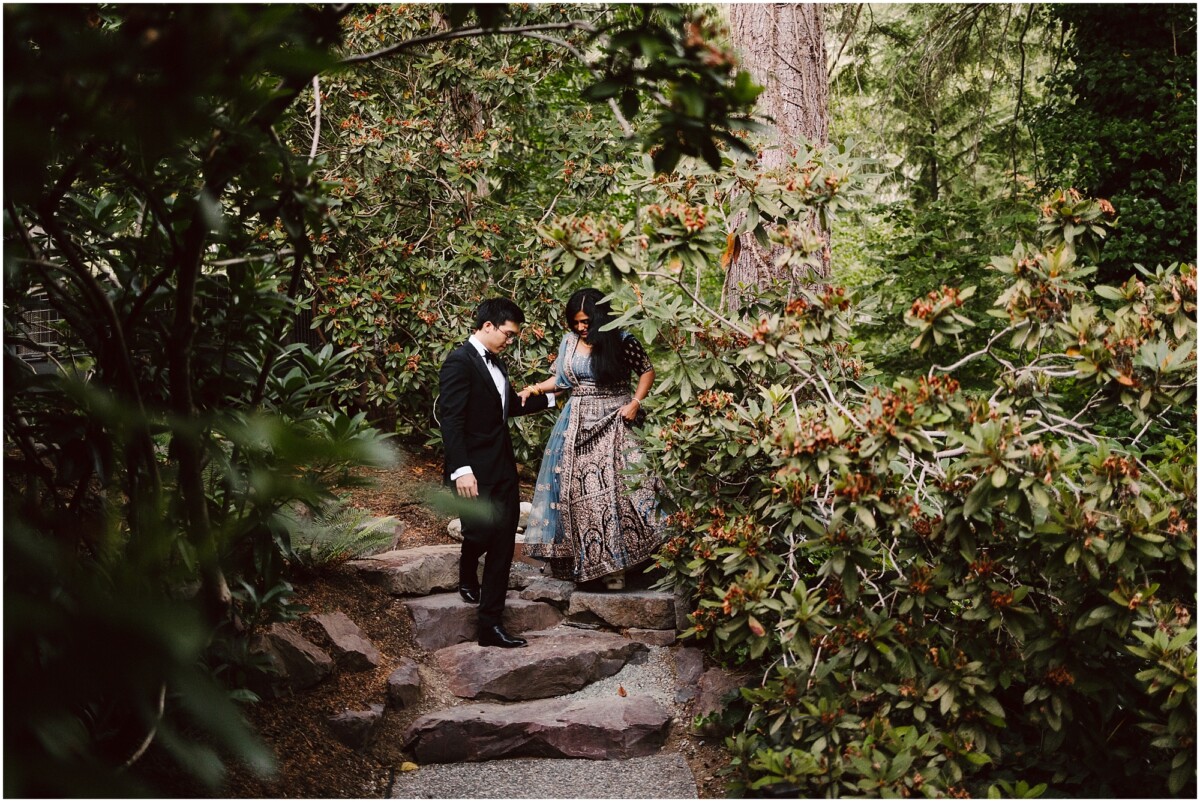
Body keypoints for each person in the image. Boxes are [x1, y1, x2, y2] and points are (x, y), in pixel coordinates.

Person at [519, 288, 664, 590]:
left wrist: (636, 402)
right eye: (575, 322)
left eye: (586, 321)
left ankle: (624, 565)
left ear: (600, 317)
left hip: (616, 419)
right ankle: (589, 564)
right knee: (579, 496)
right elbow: (560, 382)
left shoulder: (622, 340)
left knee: (622, 492)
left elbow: (647, 371)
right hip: (576, 423)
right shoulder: (569, 342)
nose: (581, 328)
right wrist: (533, 389)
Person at [437, 298, 554, 648]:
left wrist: (552, 396)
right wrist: (461, 470)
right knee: (479, 533)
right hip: (473, 470)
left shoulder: (497, 364)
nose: (510, 340)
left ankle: (491, 625)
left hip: (503, 466)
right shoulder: (459, 363)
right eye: (508, 333)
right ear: (487, 326)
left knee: (503, 542)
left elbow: (507, 406)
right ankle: (467, 566)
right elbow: (452, 421)